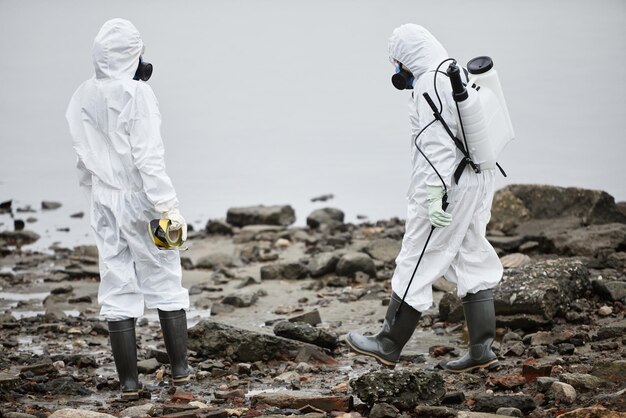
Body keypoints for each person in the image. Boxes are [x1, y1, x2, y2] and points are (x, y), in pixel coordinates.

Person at [346, 24, 503, 373]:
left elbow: (436, 147)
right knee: (471, 254)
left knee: (417, 257)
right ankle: (482, 349)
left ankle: (388, 342)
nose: (398, 72)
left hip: (448, 185)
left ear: (407, 58)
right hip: (477, 178)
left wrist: (434, 195)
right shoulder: (454, 71)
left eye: (398, 63)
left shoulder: (429, 83)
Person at [66, 18, 191, 400]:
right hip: (141, 199)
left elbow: (81, 155)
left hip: (104, 198)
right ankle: (181, 373)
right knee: (166, 277)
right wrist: (168, 206)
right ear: (132, 56)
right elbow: (148, 159)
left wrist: (92, 198)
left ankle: (128, 385)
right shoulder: (138, 96)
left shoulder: (82, 93)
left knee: (116, 281)